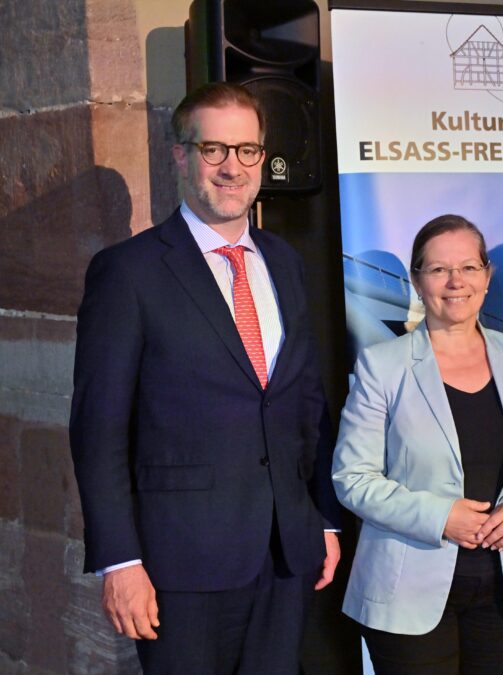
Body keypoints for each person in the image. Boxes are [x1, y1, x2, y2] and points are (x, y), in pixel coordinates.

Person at [69, 82, 341, 674]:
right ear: (180, 154)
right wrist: (120, 562)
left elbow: (305, 404)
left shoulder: (286, 263)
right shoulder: (128, 272)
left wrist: (320, 515)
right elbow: (99, 430)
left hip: (285, 555)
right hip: (179, 568)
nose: (231, 166)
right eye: (213, 148)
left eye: (247, 151)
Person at [332, 215, 503, 674]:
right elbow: (352, 479)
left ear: (486, 276)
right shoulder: (383, 366)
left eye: (469, 267)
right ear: (417, 281)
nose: (455, 281)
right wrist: (442, 518)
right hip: (407, 594)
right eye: (438, 269)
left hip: (502, 589)